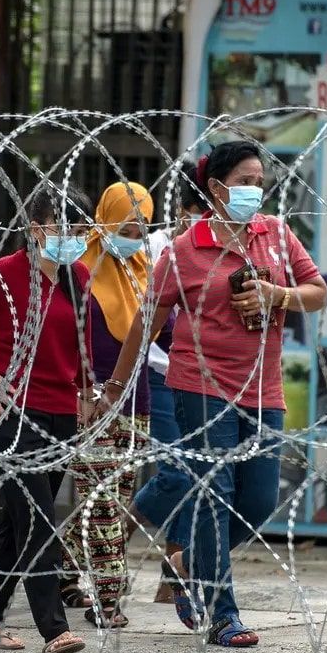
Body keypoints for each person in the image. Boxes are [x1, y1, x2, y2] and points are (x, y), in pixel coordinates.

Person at [97, 140, 327, 647]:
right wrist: (116, 383)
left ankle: (185, 563)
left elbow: (317, 292)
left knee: (260, 498)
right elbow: (148, 320)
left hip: (263, 387)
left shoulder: (277, 234)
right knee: (215, 494)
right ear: (217, 187)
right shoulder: (186, 248)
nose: (255, 190)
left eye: (260, 181)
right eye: (245, 181)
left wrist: (277, 295)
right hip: (200, 383)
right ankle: (223, 613)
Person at [0, 184, 93, 653]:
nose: (71, 236)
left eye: (80, 227)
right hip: (15, 411)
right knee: (38, 520)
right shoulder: (4, 275)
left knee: (20, 517)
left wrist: (87, 393)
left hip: (61, 410)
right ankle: (55, 629)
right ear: (36, 229)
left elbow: (81, 347)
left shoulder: (80, 278)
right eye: (61, 226)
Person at [58, 180, 153, 628]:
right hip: (90, 403)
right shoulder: (76, 267)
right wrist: (81, 391)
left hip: (138, 402)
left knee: (115, 499)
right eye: (128, 226)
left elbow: (164, 334)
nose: (134, 235)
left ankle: (58, 566)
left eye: (143, 227)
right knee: (102, 506)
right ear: (108, 219)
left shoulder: (145, 271)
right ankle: (109, 599)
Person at [132, 163, 204, 604]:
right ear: (181, 209)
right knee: (177, 473)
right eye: (194, 210)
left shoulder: (222, 248)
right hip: (159, 372)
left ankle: (171, 575)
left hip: (201, 376)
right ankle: (119, 519)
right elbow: (143, 312)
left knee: (195, 475)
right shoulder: (156, 247)